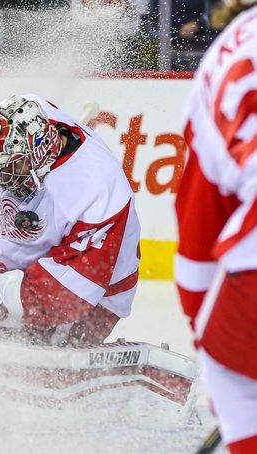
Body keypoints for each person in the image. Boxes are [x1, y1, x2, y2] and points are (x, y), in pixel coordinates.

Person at [0, 94, 140, 346]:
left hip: (94, 292)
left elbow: (62, 299)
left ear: (38, 155)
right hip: (42, 253)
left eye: (10, 169)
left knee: (39, 366)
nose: (2, 179)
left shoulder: (99, 194)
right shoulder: (23, 118)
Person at [174, 1, 257, 452]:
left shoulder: (231, 52)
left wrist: (206, 339)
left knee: (236, 388)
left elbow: (199, 231)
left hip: (252, 291)